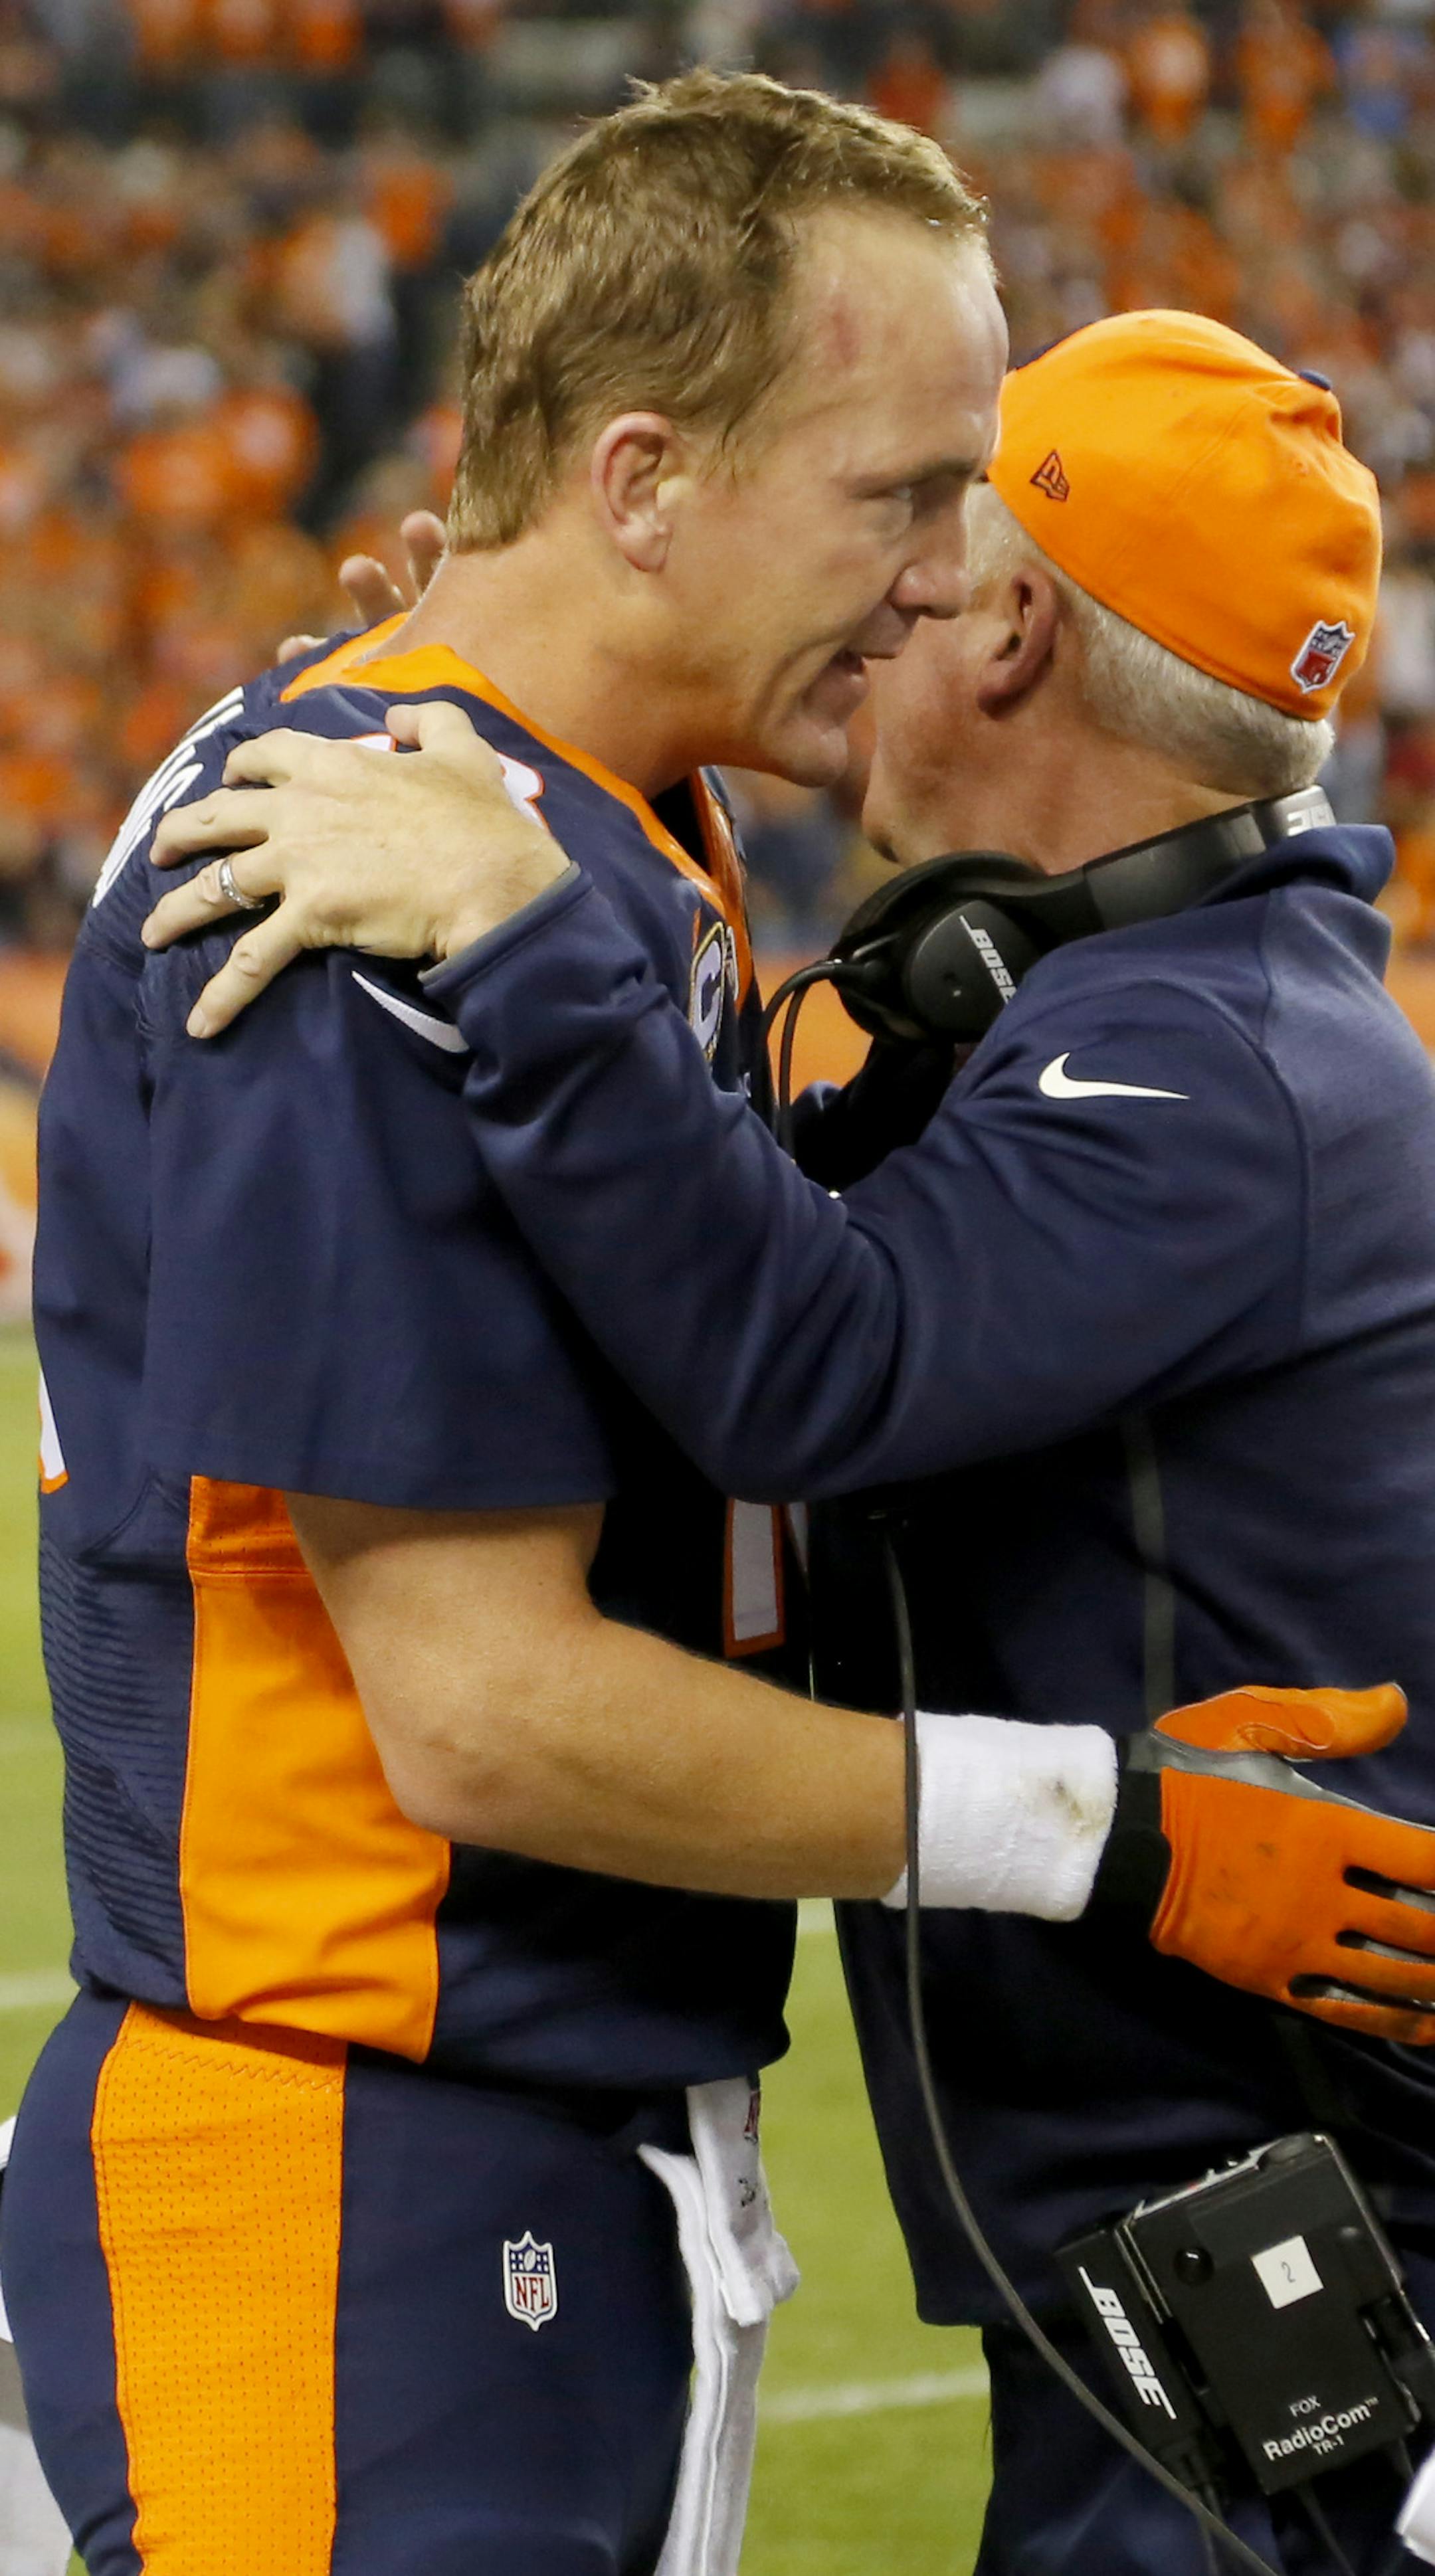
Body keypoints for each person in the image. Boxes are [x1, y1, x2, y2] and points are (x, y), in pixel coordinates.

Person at [148, 308, 1435, 2575]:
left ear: (1014, 624)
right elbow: (720, 1215)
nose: (881, 585)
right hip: (1173, 2231)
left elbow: (805, 1363)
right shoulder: (1122, 1007)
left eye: (927, 537)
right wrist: (519, 703)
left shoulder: (1209, 1065)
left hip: (1297, 2257)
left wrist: (520, 909)